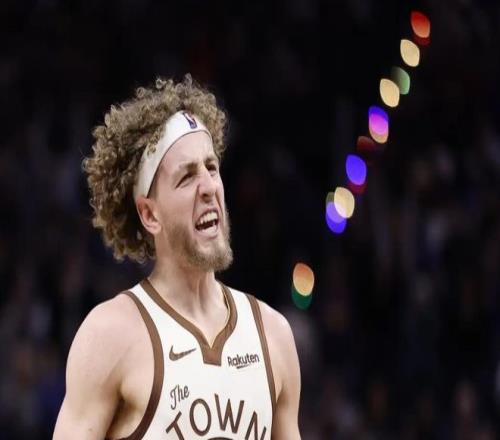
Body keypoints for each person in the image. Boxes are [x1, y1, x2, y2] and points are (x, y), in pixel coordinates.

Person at [53, 75, 301, 439]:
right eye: (187, 177)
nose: (208, 187)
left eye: (211, 168)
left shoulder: (273, 335)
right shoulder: (109, 335)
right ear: (149, 214)